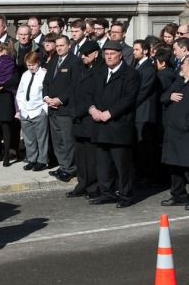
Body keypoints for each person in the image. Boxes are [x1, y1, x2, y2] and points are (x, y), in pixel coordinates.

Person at [88, 40, 141, 208]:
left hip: (119, 125)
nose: (109, 57)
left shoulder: (131, 73)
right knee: (103, 164)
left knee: (122, 164)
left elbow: (129, 99)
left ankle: (125, 194)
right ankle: (107, 193)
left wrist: (109, 113)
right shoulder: (99, 71)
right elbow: (90, 93)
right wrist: (92, 109)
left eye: (112, 54)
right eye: (106, 54)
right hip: (100, 124)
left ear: (120, 55)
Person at [160, 53, 189, 209]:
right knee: (175, 167)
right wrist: (170, 96)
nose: (181, 66)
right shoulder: (179, 81)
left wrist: (188, 124)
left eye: (184, 63)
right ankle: (178, 195)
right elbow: (163, 97)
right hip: (173, 132)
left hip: (187, 132)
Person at [43, 35, 82, 182]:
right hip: (52, 108)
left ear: (69, 46)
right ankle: (63, 165)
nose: (59, 48)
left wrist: (60, 100)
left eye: (62, 45)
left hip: (65, 108)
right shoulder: (53, 61)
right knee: (57, 139)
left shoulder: (75, 61)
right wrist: (46, 98)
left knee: (67, 140)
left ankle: (71, 168)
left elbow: (74, 86)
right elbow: (46, 82)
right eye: (57, 45)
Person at [67, 41, 103, 198]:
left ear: (95, 54)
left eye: (86, 54)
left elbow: (94, 95)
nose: (83, 57)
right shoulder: (79, 68)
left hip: (89, 117)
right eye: (81, 54)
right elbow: (73, 91)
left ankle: (93, 186)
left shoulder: (100, 70)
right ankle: (82, 183)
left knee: (92, 156)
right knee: (80, 155)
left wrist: (81, 111)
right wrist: (73, 111)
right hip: (77, 118)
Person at [132, 39, 159, 187]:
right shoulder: (137, 64)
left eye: (137, 49)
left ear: (145, 51)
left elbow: (143, 91)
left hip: (144, 112)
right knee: (139, 145)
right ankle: (141, 173)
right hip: (138, 111)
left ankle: (149, 175)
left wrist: (130, 102)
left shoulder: (148, 68)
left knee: (145, 145)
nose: (134, 52)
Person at [16, 52, 49, 172]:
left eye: (32, 65)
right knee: (29, 138)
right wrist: (21, 107)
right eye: (28, 65)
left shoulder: (44, 74)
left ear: (38, 63)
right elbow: (20, 92)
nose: (30, 67)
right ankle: (32, 159)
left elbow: (46, 92)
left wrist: (44, 110)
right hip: (26, 111)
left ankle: (42, 160)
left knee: (41, 138)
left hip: (39, 110)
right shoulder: (25, 75)